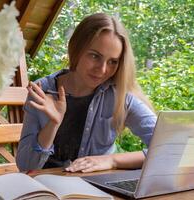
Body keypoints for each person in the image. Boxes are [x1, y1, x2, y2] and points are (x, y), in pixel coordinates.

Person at [16, 13, 157, 173]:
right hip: (45, 189)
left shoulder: (120, 97)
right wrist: (53, 125)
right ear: (76, 49)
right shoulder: (42, 91)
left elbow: (169, 149)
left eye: (113, 62)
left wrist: (112, 160)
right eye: (95, 56)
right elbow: (25, 166)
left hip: (96, 190)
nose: (103, 70)